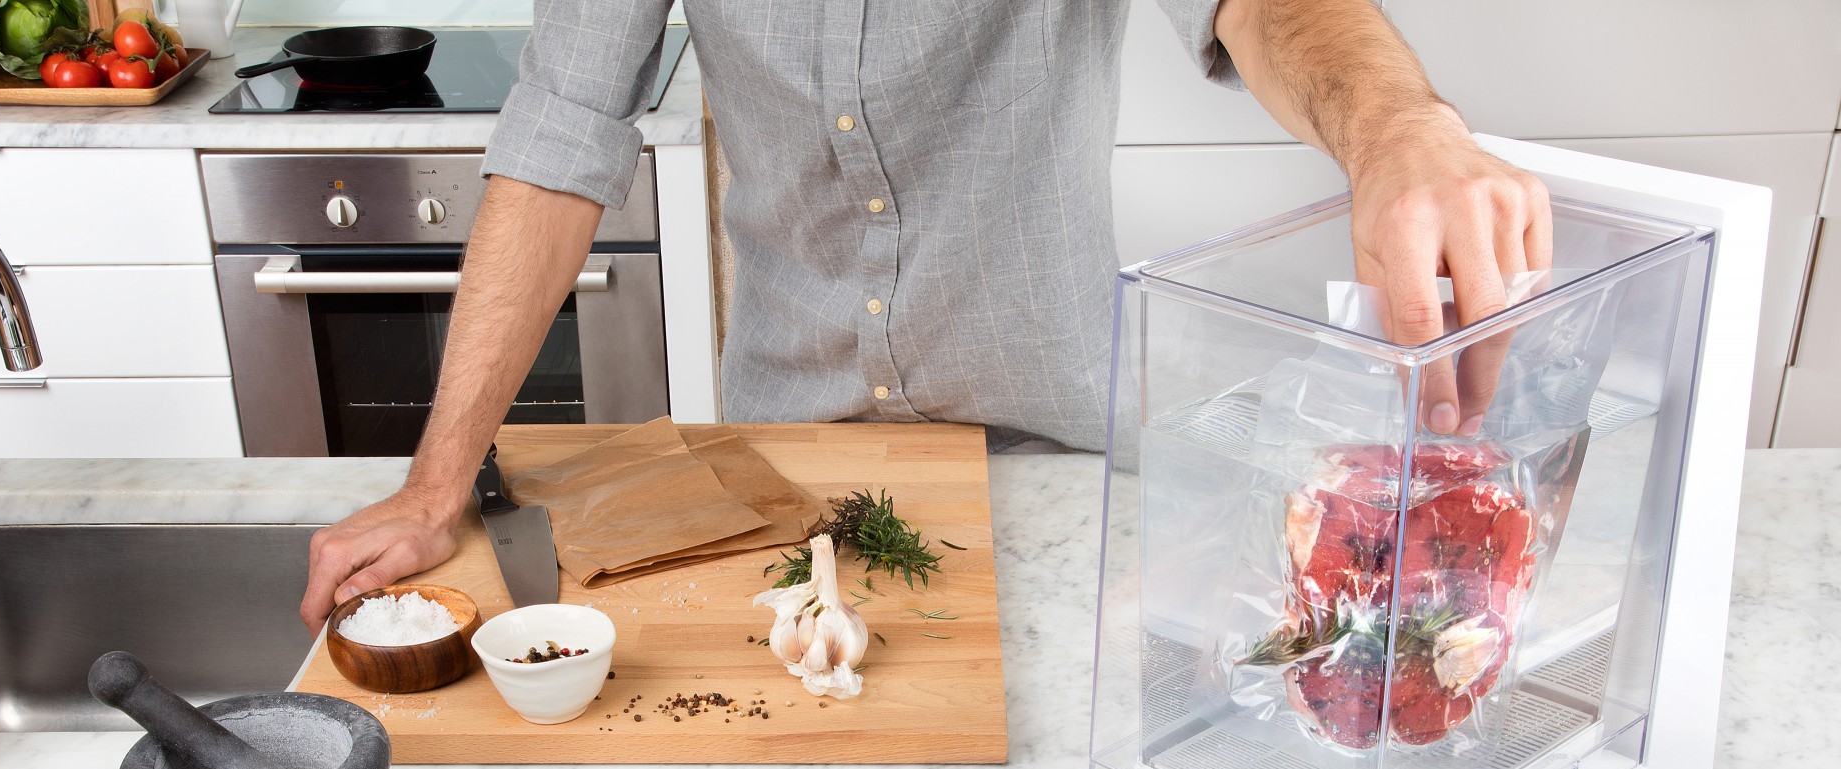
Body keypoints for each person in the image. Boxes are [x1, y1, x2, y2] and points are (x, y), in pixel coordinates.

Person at [299, 0, 1551, 631]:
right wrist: (433, 485)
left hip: (1060, 466)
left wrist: (1397, 125)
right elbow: (560, 132)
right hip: (779, 470)